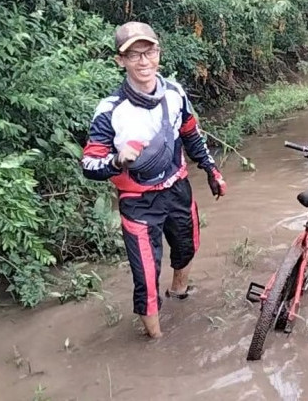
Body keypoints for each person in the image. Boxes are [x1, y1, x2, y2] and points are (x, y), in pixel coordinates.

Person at [81, 21, 227, 339]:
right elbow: (90, 165)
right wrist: (118, 160)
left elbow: (190, 133)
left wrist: (211, 169)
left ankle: (179, 294)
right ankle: (157, 345)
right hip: (138, 202)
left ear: (158, 53)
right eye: (134, 55)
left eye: (149, 52)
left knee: (188, 248)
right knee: (146, 279)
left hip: (177, 188)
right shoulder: (110, 111)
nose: (143, 61)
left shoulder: (174, 94)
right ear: (120, 61)